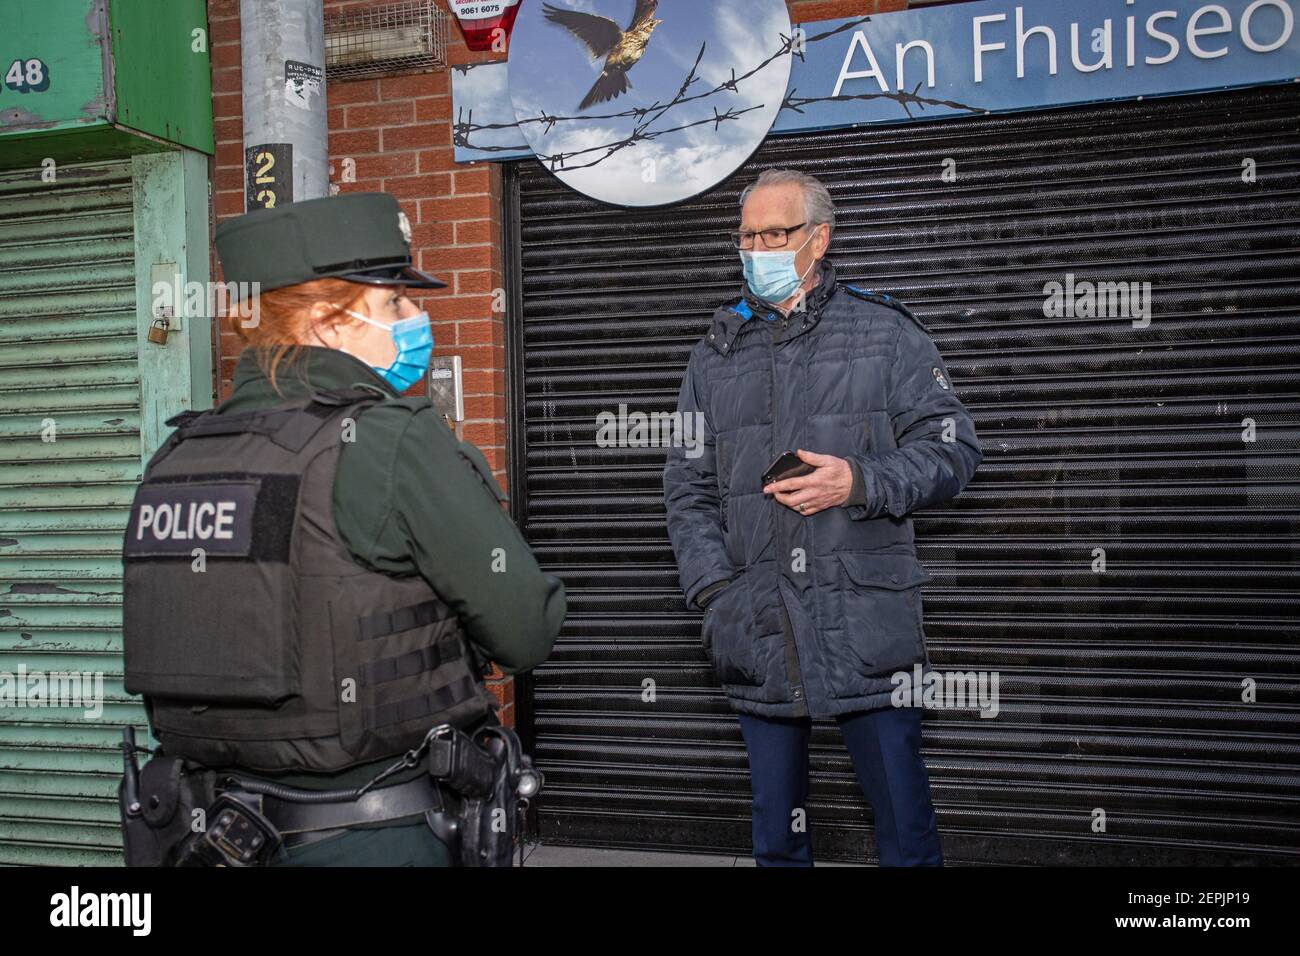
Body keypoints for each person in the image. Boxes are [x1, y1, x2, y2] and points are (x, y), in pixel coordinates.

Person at [120, 192, 565, 866]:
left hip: (201, 832)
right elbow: (526, 629)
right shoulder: (394, 443)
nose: (418, 316)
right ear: (329, 323)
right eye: (394, 303)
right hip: (371, 835)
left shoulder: (178, 455)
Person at [662, 168, 982, 866]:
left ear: (818, 239)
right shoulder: (712, 355)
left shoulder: (885, 333)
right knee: (779, 838)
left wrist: (859, 480)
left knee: (905, 824)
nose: (757, 248)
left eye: (774, 233)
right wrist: (717, 594)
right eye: (747, 235)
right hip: (759, 623)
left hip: (866, 623)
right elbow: (686, 489)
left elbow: (954, 451)